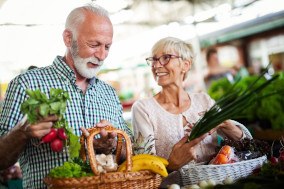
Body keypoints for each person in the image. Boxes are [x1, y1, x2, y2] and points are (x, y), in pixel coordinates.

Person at [0, 4, 132, 189]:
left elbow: (131, 152)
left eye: (107, 47)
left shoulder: (108, 93)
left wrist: (112, 145)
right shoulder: (25, 85)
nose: (102, 55)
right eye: (94, 45)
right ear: (68, 39)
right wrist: (22, 132)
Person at [131, 37, 252, 186]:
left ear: (185, 65)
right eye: (154, 60)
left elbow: (247, 144)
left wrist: (226, 124)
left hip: (219, 183)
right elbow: (144, 172)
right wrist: (171, 165)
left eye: (165, 58)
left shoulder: (204, 100)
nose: (156, 65)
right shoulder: (143, 109)